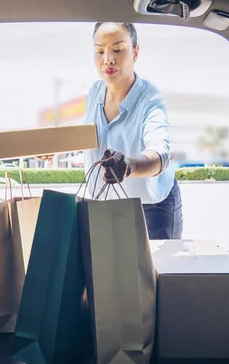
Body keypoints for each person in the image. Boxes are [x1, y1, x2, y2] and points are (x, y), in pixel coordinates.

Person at [39, 22, 182, 239]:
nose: (108, 59)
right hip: (105, 202)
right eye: (100, 51)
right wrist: (56, 146)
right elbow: (89, 133)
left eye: (117, 49)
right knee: (108, 268)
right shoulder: (94, 91)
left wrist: (128, 166)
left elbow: (160, 155)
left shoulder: (151, 100)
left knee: (152, 271)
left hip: (152, 207)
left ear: (135, 52)